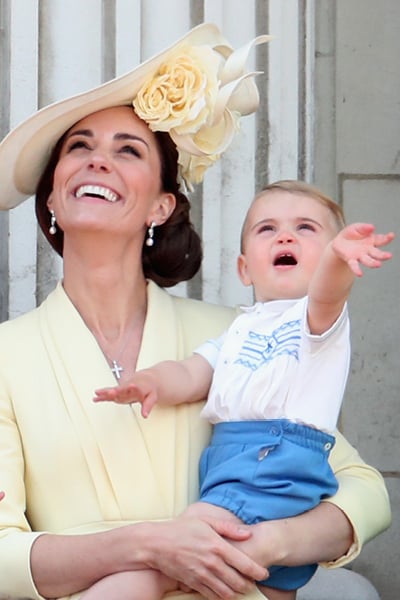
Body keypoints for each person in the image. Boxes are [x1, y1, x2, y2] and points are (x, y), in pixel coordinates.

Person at [0, 23, 391, 600]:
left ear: (162, 204)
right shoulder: (6, 357)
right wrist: (151, 546)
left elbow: (362, 491)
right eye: (79, 147)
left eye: (127, 150)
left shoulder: (236, 335)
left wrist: (271, 545)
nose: (97, 161)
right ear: (52, 197)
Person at [91, 180, 394, 600]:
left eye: (306, 228)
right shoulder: (239, 329)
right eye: (266, 229)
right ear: (243, 268)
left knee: (160, 562)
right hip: (235, 462)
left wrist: (338, 262)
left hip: (273, 459)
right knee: (260, 584)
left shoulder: (318, 322)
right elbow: (194, 372)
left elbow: (328, 293)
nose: (285, 236)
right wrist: (151, 381)